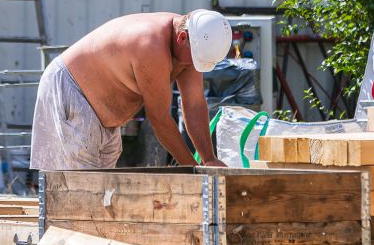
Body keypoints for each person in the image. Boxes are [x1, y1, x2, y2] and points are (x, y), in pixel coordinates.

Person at [31, 9, 233, 170]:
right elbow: (160, 119)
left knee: (100, 197)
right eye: (196, 60)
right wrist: (192, 171)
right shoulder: (151, 46)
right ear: (181, 38)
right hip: (71, 91)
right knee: (79, 194)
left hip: (101, 118)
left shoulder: (190, 46)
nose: (195, 67)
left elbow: (195, 104)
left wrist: (208, 160)